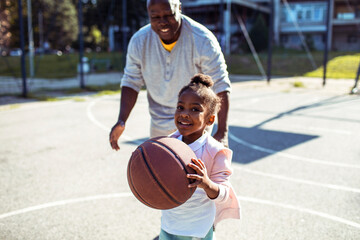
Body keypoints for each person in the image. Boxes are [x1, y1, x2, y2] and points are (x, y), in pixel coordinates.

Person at [109, 0, 231, 150]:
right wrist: (122, 120)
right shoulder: (139, 41)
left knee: (195, 172)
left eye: (168, 15)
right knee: (157, 172)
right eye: (155, 17)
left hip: (195, 126)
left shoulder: (203, 39)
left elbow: (220, 83)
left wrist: (222, 131)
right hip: (159, 124)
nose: (163, 22)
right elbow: (131, 81)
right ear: (148, 14)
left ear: (179, 8)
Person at [159, 73, 240, 240]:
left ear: (210, 119)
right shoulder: (167, 144)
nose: (184, 114)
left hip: (198, 229)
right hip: (169, 224)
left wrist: (206, 183)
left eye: (195, 109)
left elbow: (225, 193)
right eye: (180, 107)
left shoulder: (215, 151)